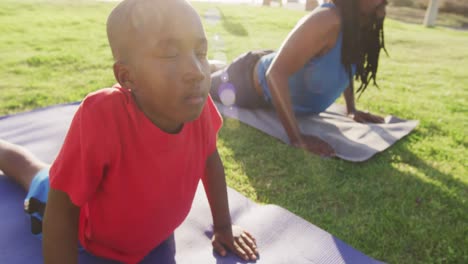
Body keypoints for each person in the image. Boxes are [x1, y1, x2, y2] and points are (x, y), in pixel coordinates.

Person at [0, 0, 259, 263]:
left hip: (147, 240)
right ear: (126, 76)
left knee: (42, 170)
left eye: (200, 52)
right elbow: (62, 206)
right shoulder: (102, 116)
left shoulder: (196, 105)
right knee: (30, 170)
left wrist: (224, 227)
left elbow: (210, 160)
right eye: (170, 54)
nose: (196, 71)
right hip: (84, 235)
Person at [210, 0, 388, 157]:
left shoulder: (360, 24)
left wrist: (352, 109)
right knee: (202, 84)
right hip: (245, 81)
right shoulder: (327, 19)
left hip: (274, 60)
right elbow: (274, 74)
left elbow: (345, 63)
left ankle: (215, 66)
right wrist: (297, 138)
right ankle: (210, 66)